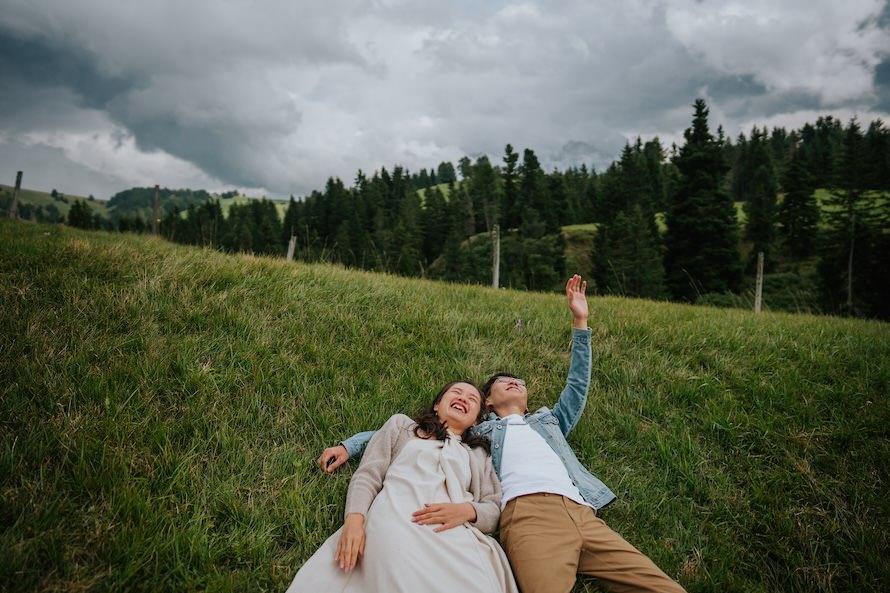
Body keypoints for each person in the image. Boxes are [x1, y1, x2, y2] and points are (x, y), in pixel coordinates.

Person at [319, 275, 686, 593]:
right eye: (500, 382)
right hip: (528, 515)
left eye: (519, 382)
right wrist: (351, 445)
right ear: (488, 404)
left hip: (584, 512)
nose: (514, 381)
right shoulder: (478, 436)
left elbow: (577, 385)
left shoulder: (549, 423)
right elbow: (414, 432)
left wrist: (581, 323)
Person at [288, 380, 518, 593]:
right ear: (437, 405)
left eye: (472, 399)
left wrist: (467, 511)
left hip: (454, 532)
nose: (463, 398)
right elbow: (368, 475)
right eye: (456, 392)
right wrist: (354, 522)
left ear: (477, 420)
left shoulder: (479, 454)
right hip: (399, 517)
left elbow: (493, 507)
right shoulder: (403, 427)